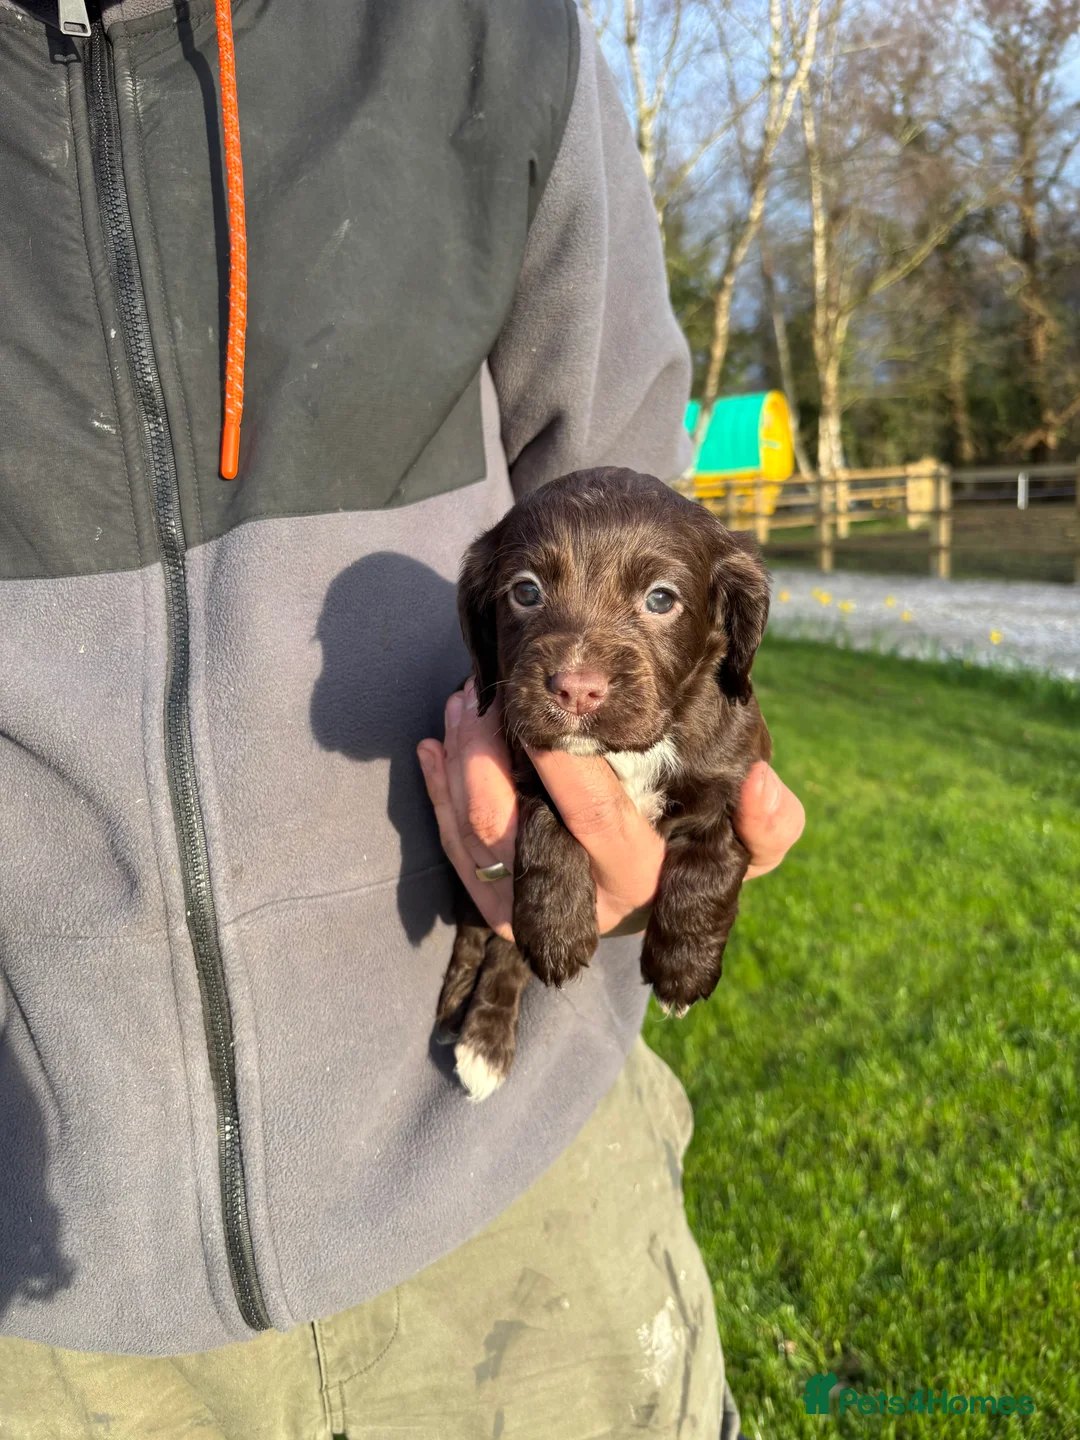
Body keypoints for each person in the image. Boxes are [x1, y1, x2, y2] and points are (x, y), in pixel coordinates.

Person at [0, 0, 803, 1434]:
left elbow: (629, 500)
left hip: (520, 1201)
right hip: (47, 1251)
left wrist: (640, 850)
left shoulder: (488, 34)